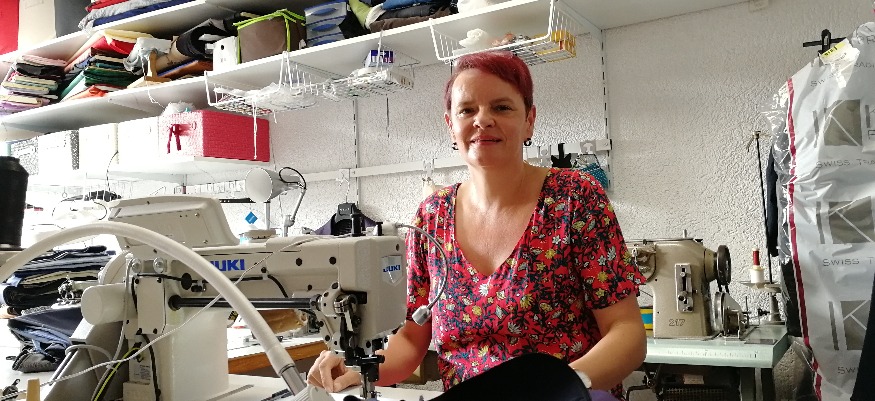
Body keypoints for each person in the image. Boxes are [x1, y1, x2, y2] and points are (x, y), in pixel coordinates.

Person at [307, 50, 646, 400]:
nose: (483, 120)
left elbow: (627, 333)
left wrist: (560, 387)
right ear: (450, 125)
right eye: (467, 110)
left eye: (502, 107)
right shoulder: (432, 217)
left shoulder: (575, 198)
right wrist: (357, 366)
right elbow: (410, 339)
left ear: (529, 120)